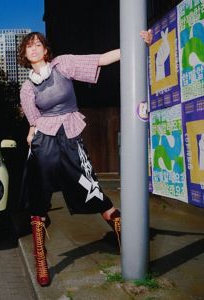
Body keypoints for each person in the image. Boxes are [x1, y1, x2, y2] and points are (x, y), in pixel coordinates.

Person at [18, 30, 153, 287]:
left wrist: (135, 44)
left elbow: (100, 59)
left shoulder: (64, 64)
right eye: (29, 46)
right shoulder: (26, 88)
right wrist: (30, 133)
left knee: (90, 186)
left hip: (69, 133)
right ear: (25, 54)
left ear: (46, 50)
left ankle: (125, 234)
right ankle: (41, 259)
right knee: (37, 194)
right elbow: (33, 121)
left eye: (38, 44)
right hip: (44, 139)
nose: (33, 49)